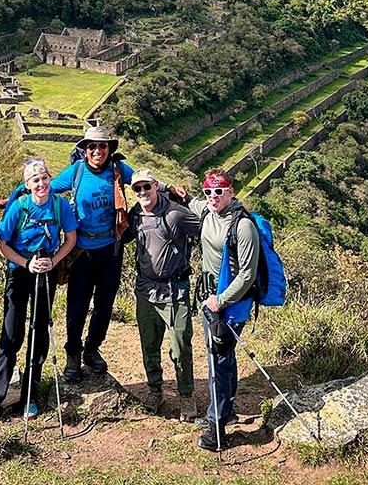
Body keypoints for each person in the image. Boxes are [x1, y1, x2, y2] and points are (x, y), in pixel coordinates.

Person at [49, 126, 170, 382]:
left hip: (111, 250)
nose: (97, 151)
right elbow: (46, 189)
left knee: (104, 306)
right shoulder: (77, 171)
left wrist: (170, 189)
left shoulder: (117, 170)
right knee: (77, 306)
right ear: (85, 150)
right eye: (91, 146)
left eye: (102, 146)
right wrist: (15, 198)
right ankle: (73, 352)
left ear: (109, 149)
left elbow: (141, 180)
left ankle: (92, 349)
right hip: (82, 252)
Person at [0, 158, 78, 417]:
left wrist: (54, 261)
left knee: (39, 332)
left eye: (45, 177)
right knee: (12, 333)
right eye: (35, 180)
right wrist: (26, 263)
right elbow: (1, 244)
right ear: (27, 184)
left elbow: (71, 238)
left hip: (45, 274)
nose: (41, 183)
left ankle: (30, 395)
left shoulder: (60, 206)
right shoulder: (19, 208)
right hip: (19, 273)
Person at [187, 167, 260, 451]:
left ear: (231, 191)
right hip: (209, 299)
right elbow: (185, 198)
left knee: (216, 360)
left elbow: (247, 274)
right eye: (209, 191)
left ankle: (216, 427)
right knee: (223, 354)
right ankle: (225, 409)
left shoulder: (242, 226)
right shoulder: (206, 210)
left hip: (230, 303)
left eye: (219, 191)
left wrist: (221, 300)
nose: (213, 196)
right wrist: (160, 185)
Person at [122, 168, 201, 422]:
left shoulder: (175, 215)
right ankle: (155, 390)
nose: (143, 192)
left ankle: (186, 395)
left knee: (180, 345)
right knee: (149, 344)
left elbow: (205, 228)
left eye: (147, 187)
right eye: (138, 189)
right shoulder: (135, 216)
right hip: (146, 290)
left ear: (156, 186)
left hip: (175, 290)